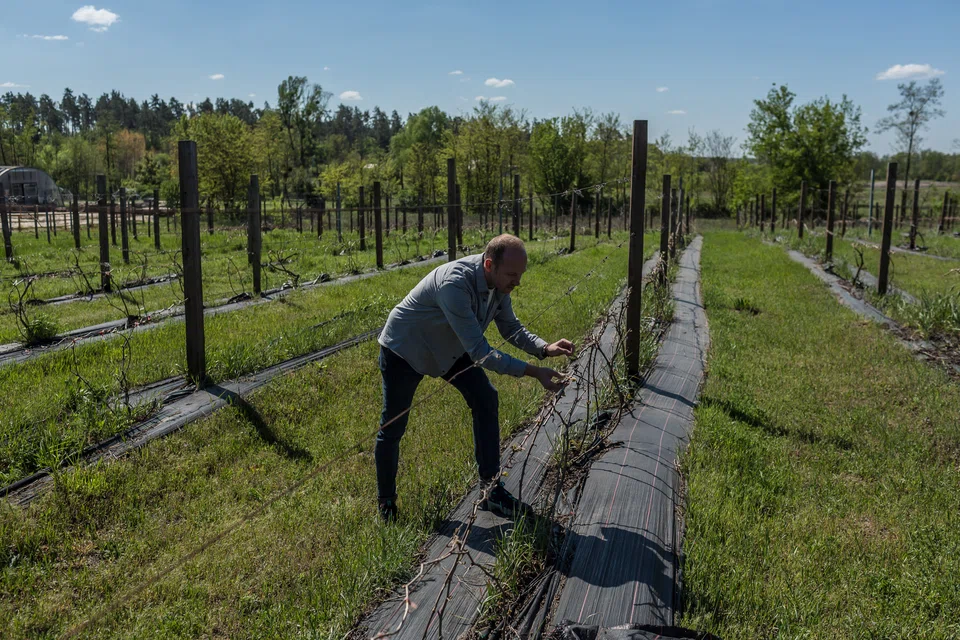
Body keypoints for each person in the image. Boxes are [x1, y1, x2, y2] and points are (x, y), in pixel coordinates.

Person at [375, 234, 575, 522]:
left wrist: (544, 348)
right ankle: (386, 502)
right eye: (512, 275)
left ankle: (490, 491)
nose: (517, 282)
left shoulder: (498, 285)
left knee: (485, 397)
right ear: (489, 264)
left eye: (520, 275)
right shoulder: (455, 284)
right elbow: (481, 352)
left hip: (450, 346)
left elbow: (511, 328)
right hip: (406, 349)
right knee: (393, 425)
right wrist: (534, 372)